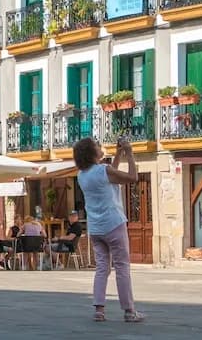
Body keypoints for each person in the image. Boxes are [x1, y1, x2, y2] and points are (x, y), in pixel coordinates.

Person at [76, 136, 144, 323]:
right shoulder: (103, 170)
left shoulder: (81, 175)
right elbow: (132, 177)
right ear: (92, 152)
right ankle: (129, 310)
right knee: (122, 266)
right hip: (114, 223)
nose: (100, 147)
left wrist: (117, 154)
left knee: (102, 267)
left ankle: (99, 310)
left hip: (95, 228)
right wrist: (129, 153)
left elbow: (109, 178)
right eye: (97, 145)